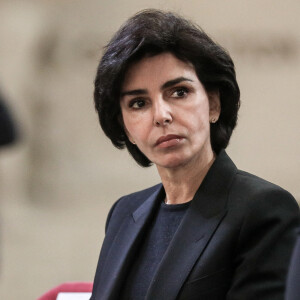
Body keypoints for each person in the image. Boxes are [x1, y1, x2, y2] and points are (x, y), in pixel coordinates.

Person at [90, 9, 300, 300]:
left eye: (179, 92)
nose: (161, 115)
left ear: (213, 104)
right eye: (138, 103)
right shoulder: (124, 213)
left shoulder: (263, 209)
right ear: (124, 126)